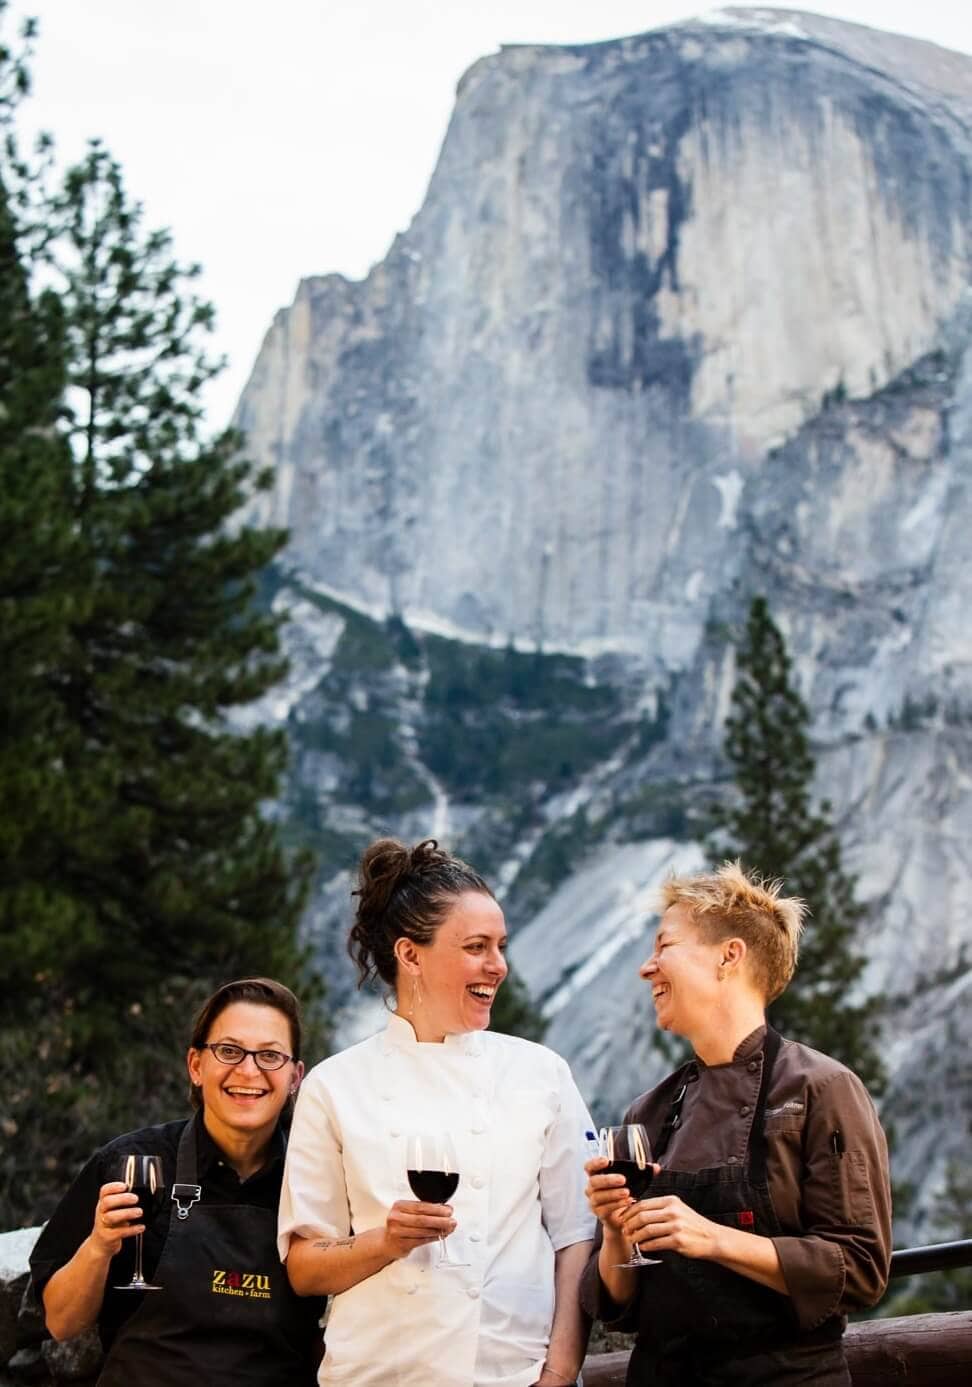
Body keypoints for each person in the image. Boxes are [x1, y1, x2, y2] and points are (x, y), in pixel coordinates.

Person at [279, 837, 595, 1387]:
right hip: (376, 1375)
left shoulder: (541, 1074)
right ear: (410, 955)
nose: (498, 966)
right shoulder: (335, 1084)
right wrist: (386, 1241)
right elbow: (305, 1264)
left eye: (501, 946)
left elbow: (577, 1237)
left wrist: (560, 1372)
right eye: (477, 946)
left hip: (511, 1376)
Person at [581, 862, 892, 1387]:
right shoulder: (649, 1112)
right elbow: (617, 1302)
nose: (646, 967)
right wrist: (615, 1233)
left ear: (729, 956)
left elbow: (859, 1268)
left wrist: (712, 1238)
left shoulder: (821, 1088)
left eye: (664, 946)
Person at [30, 977, 325, 1386]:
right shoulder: (127, 1163)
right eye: (229, 1050)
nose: (248, 1069)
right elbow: (61, 1322)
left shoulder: (318, 1180)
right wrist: (99, 1246)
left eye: (270, 1056)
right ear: (196, 1065)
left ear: (295, 1078)